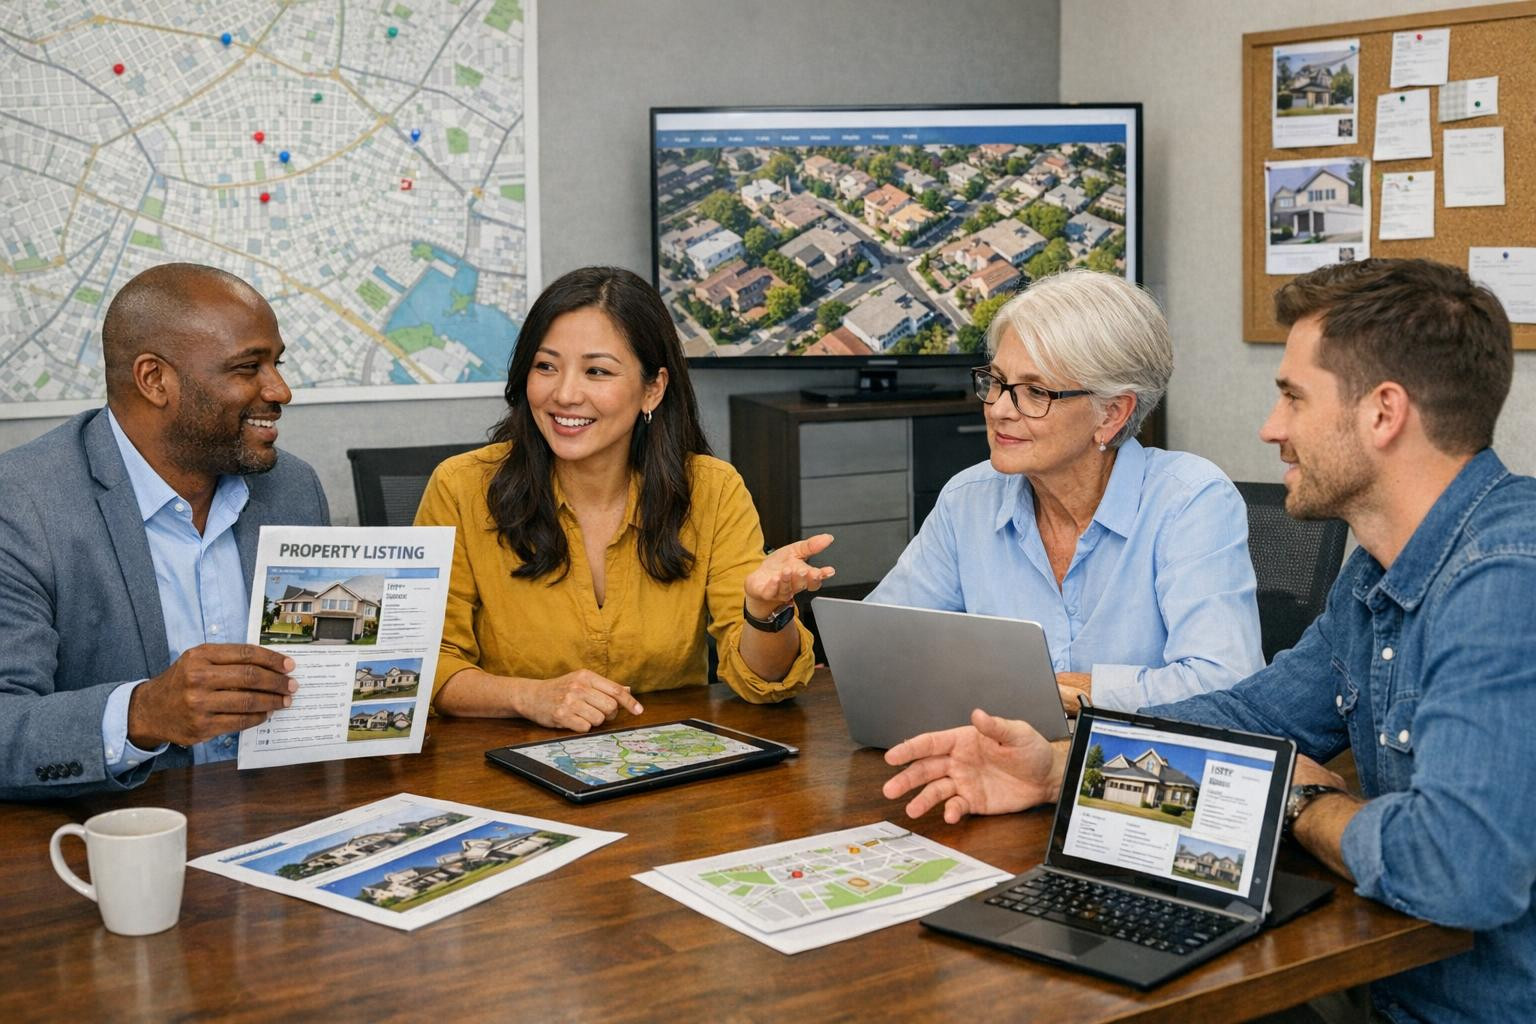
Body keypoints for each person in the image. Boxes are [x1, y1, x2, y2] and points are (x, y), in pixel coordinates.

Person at [882, 258, 1535, 1023]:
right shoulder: (1374, 578)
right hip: (1396, 986)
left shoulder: (1505, 581)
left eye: (1292, 397)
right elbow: (1247, 717)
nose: (1271, 429)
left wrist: (1295, 802)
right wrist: (1056, 770)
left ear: (1383, 413)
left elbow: (1457, 869)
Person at [415, 266, 831, 731]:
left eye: (597, 371)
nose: (565, 394)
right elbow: (427, 667)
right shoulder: (460, 487)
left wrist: (765, 612)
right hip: (500, 767)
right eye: (545, 366)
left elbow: (764, 680)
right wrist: (529, 696)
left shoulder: (712, 490)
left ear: (652, 388)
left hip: (665, 771)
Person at [0, 263, 329, 800]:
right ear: (154, 380)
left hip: (280, 810)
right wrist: (143, 713)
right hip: (112, 837)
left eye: (278, 362)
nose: (281, 389)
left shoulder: (292, 486)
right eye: (248, 367)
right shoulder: (21, 503)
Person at [867, 269, 1262, 711]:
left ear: (1111, 413)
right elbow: (880, 646)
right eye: (995, 382)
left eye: (1035, 392)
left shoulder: (1190, 501)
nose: (998, 409)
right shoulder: (968, 499)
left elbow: (1225, 682)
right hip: (995, 763)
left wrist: (1058, 691)